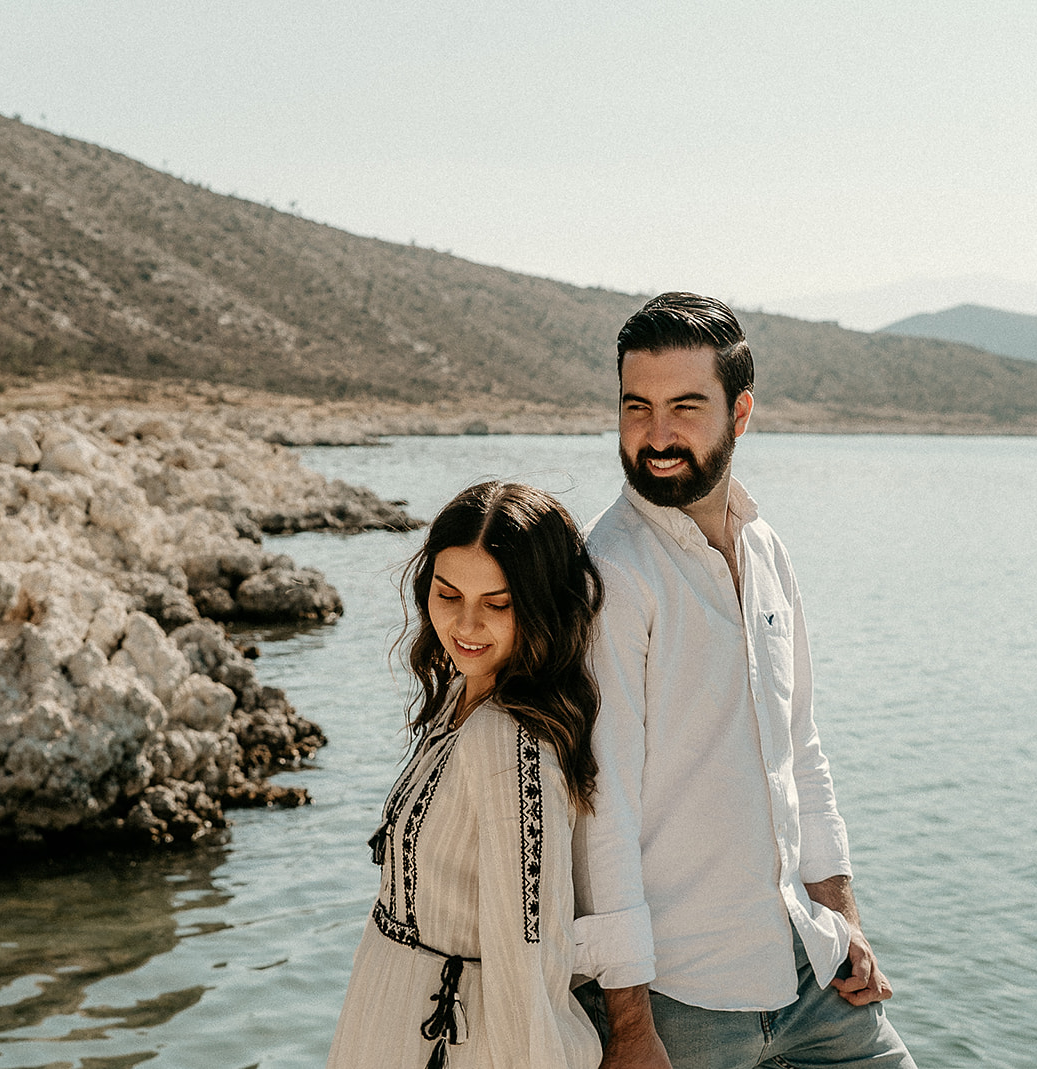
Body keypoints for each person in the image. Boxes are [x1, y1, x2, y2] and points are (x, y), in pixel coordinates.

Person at [572, 293, 915, 1068]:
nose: (656, 435)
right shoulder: (611, 575)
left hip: (807, 967)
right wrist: (628, 1024)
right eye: (637, 407)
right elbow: (602, 811)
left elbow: (802, 747)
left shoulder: (765, 548)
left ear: (741, 411)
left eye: (685, 407)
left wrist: (843, 920)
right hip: (678, 999)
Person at [327, 481, 605, 1069]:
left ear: (540, 607)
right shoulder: (461, 691)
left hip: (451, 1040)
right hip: (390, 1011)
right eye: (447, 594)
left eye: (497, 604)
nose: (466, 626)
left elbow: (525, 960)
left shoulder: (510, 743)